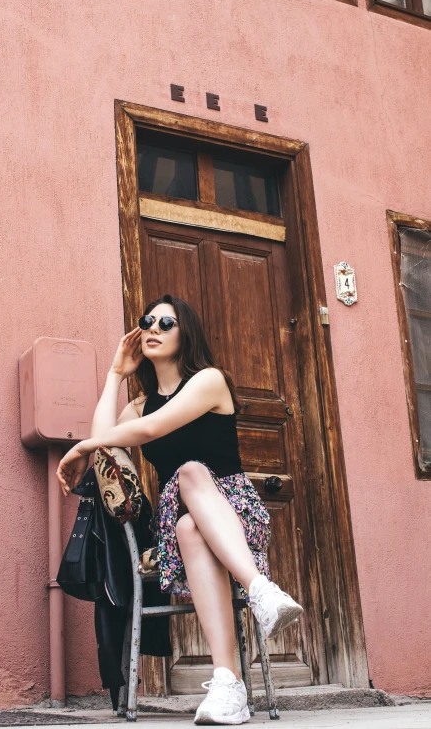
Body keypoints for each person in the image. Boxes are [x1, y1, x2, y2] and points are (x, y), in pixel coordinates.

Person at [57, 294, 303, 725]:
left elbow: (152, 428)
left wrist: (81, 445)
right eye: (146, 321)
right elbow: (106, 448)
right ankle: (232, 678)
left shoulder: (209, 381)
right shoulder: (138, 405)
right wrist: (115, 374)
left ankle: (256, 597)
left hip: (234, 513)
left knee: (190, 472)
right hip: (178, 526)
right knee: (188, 526)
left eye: (165, 324)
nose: (152, 328)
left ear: (185, 333)